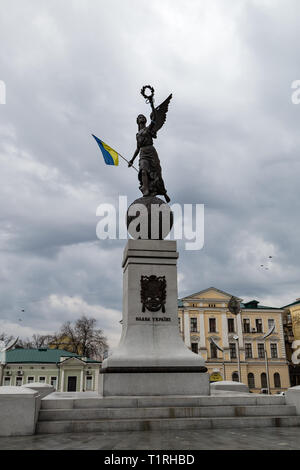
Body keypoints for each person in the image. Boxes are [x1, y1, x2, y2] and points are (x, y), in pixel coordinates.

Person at [128, 95, 171, 203]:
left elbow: (155, 118)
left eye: (143, 116)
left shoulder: (149, 128)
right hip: (142, 153)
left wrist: (151, 104)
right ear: (137, 121)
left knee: (156, 173)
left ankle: (163, 191)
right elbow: (137, 148)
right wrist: (132, 160)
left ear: (145, 120)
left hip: (151, 152)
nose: (141, 117)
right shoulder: (137, 134)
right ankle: (146, 190)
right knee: (143, 171)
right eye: (139, 117)